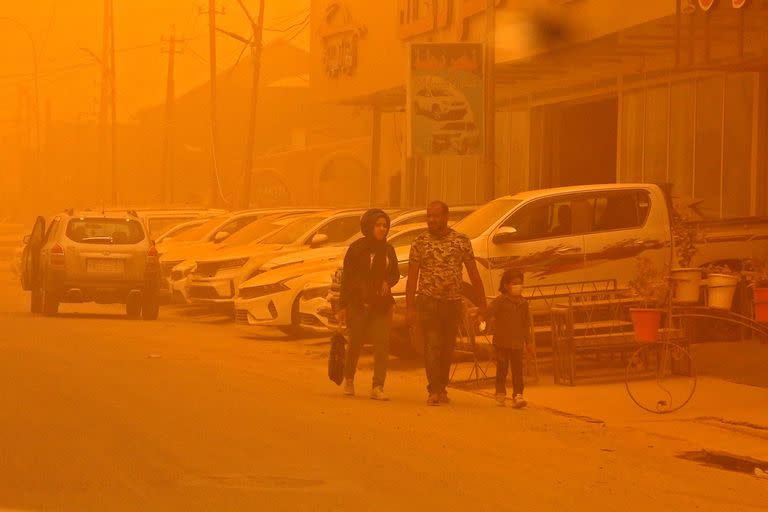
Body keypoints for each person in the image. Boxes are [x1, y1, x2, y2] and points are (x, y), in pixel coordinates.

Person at [406, 201, 487, 406]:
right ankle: (433, 389)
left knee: (447, 347)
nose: (431, 220)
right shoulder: (420, 242)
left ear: (446, 217)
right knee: (432, 345)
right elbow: (412, 278)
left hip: (452, 303)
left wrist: (483, 305)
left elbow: (474, 274)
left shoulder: (461, 241)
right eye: (428, 216)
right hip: (428, 301)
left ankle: (442, 386)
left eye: (436, 216)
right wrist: (410, 308)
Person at [337, 209, 399, 400]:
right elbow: (347, 279)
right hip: (359, 304)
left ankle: (378, 386)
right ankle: (349, 379)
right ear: (369, 227)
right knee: (355, 342)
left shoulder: (388, 250)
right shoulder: (356, 249)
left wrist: (388, 281)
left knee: (382, 345)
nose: (382, 229)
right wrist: (342, 306)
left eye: (385, 225)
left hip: (382, 305)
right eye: (378, 225)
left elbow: (395, 273)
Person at [486, 269, 530, 408]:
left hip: (517, 342)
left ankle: (518, 394)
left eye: (520, 283)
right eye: (514, 283)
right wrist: (480, 316)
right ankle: (500, 391)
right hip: (502, 342)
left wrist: (529, 342)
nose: (518, 286)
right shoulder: (500, 301)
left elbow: (525, 324)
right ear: (506, 285)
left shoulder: (523, 303)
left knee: (518, 369)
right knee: (502, 368)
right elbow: (489, 312)